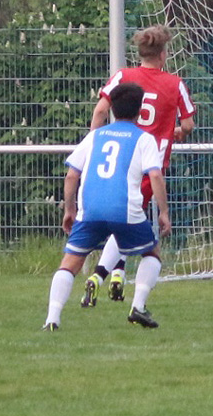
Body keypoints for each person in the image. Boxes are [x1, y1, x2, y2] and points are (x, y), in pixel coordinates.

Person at [81, 25, 196, 307]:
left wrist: (94, 144)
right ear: (164, 54)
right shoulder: (174, 83)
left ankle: (106, 274)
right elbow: (188, 124)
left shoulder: (123, 75)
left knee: (124, 223)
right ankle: (101, 275)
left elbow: (99, 110)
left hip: (119, 159)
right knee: (131, 227)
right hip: (148, 164)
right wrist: (176, 132)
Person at [43, 83, 171, 331]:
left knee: (70, 263)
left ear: (111, 108)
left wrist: (70, 209)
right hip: (125, 210)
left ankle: (52, 319)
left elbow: (71, 176)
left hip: (90, 210)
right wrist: (163, 211)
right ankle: (138, 307)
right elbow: (155, 175)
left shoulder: (94, 136)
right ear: (140, 109)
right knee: (152, 254)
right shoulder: (144, 139)